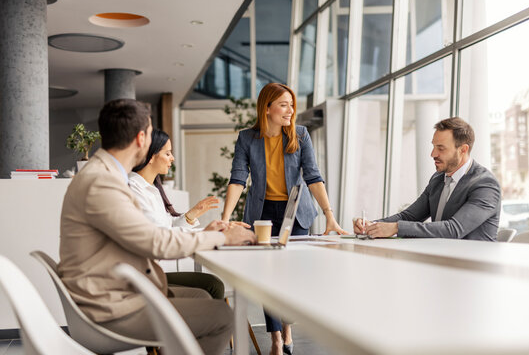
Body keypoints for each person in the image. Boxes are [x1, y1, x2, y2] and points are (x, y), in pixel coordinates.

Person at [59, 99, 256, 355]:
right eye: (151, 133)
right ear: (141, 138)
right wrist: (223, 238)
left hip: (113, 291)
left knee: (204, 298)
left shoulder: (104, 175)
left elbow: (151, 235)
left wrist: (210, 234)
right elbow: (156, 243)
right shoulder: (102, 182)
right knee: (222, 316)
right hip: (108, 307)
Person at [221, 82, 348, 355]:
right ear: (266, 108)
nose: (291, 110)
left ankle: (288, 329)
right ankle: (277, 339)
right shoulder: (247, 138)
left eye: (292, 104)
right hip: (263, 215)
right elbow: (238, 179)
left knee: (291, 277)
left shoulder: (300, 135)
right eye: (284, 105)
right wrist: (225, 218)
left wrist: (329, 216)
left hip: (296, 215)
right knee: (268, 278)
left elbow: (313, 177)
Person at [354, 117, 501, 241]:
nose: (433, 154)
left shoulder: (485, 185)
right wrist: (371, 226)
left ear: (463, 150)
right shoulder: (438, 179)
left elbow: (454, 229)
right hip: (441, 260)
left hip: (473, 268)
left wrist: (396, 228)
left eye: (441, 148)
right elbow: (409, 216)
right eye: (434, 146)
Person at [129, 128, 225, 299]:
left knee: (214, 284)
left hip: (151, 273)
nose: (172, 158)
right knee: (209, 289)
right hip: (142, 279)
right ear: (151, 156)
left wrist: (192, 214)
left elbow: (167, 227)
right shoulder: (134, 189)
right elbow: (160, 235)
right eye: (167, 153)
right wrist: (205, 233)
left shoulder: (152, 189)